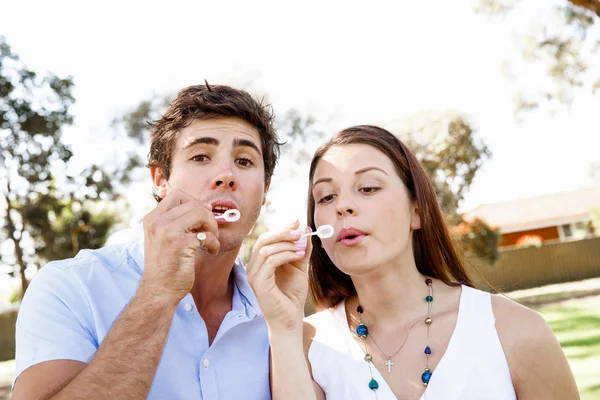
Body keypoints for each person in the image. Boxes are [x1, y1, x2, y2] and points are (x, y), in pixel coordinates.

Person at [247, 125, 580, 399]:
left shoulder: (517, 331)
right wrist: (283, 326)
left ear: (417, 211)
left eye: (367, 187)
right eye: (327, 197)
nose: (343, 206)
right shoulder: (303, 342)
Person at [13, 83, 283, 399]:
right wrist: (158, 293)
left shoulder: (275, 313)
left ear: (265, 190)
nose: (226, 174)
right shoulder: (69, 287)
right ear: (161, 181)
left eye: (244, 160)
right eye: (200, 156)